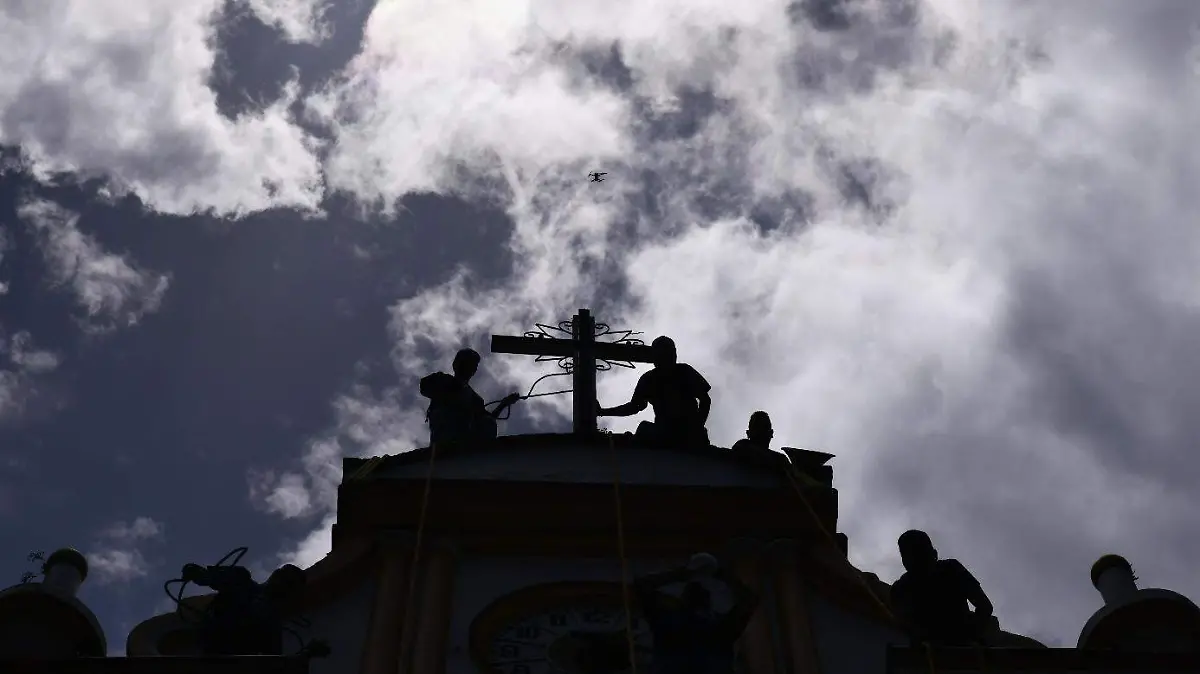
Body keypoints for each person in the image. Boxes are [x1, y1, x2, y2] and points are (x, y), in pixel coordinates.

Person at [634, 553, 758, 674]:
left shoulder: (668, 621)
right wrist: (720, 574)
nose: (699, 587)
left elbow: (642, 587)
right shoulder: (720, 627)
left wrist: (684, 573)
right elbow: (749, 601)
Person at [596, 336, 712, 448]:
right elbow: (634, 407)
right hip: (665, 432)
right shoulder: (649, 379)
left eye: (670, 353)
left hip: (688, 431)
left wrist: (696, 427)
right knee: (644, 429)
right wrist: (603, 412)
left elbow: (705, 400)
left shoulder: (684, 371)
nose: (668, 358)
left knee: (645, 430)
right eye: (663, 355)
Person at [889, 530, 998, 646]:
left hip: (961, 649)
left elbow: (984, 606)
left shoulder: (951, 570)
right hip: (929, 655)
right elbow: (904, 626)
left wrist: (969, 637)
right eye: (912, 555)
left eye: (919, 553)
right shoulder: (900, 589)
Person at [182, 562, 307, 655]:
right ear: (275, 574)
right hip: (213, 645)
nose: (281, 584)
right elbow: (207, 576)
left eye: (289, 584)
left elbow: (272, 662)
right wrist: (196, 572)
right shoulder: (241, 579)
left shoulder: (272, 623)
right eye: (282, 577)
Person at [420, 348, 521, 445]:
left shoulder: (475, 399)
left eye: (473, 365)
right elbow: (424, 387)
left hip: (463, 442)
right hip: (442, 440)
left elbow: (487, 420)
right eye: (466, 363)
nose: (470, 368)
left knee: (488, 423)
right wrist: (448, 390)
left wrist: (503, 404)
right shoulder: (442, 380)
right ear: (456, 364)